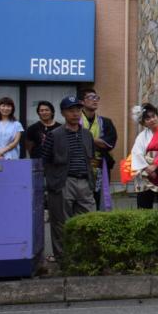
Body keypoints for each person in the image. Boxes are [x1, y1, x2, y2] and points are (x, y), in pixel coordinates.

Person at [41, 96, 96, 261]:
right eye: (71, 110)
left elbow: (90, 157)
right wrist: (51, 181)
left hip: (85, 181)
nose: (75, 113)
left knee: (89, 219)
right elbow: (44, 160)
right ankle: (63, 258)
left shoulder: (87, 134)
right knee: (61, 222)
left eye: (78, 110)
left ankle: (85, 256)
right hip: (63, 182)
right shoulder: (54, 134)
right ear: (63, 113)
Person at [128, 103, 158, 210]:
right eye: (147, 119)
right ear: (143, 122)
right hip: (145, 172)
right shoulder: (141, 136)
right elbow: (136, 153)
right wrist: (147, 168)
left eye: (153, 116)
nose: (152, 120)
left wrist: (155, 166)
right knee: (144, 204)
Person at [79, 89, 117, 210]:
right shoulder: (75, 122)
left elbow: (108, 144)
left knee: (99, 198)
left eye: (96, 97)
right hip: (79, 166)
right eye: (91, 97)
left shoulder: (105, 122)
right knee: (81, 198)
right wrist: (96, 141)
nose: (95, 100)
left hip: (99, 166)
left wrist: (86, 137)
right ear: (82, 102)